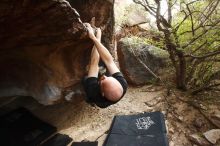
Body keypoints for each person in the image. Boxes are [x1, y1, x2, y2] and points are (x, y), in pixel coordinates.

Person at [82, 23, 128, 108]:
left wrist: (94, 37)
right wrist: (97, 37)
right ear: (118, 82)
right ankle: (104, 76)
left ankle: (90, 101)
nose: (104, 77)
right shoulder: (123, 84)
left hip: (99, 100)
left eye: (103, 80)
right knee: (105, 68)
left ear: (102, 92)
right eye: (110, 78)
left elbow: (94, 63)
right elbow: (109, 61)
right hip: (107, 92)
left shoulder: (94, 92)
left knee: (86, 79)